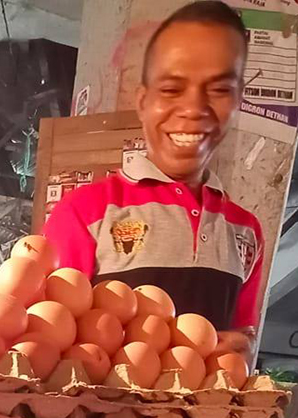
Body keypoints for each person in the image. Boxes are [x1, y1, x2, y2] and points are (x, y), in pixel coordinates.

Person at [43, 1, 263, 356]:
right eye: (172, 89)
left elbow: (244, 333)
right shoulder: (85, 213)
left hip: (205, 412)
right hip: (108, 412)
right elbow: (50, 339)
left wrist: (242, 345)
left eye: (219, 90)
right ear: (143, 102)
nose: (194, 108)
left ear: (237, 101)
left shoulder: (245, 229)